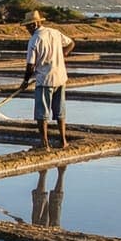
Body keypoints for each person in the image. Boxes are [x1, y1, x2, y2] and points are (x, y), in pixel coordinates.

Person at [17, 10, 76, 149]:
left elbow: (30, 65)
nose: (28, 29)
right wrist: (62, 55)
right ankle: (63, 141)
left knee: (41, 114)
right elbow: (71, 43)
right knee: (60, 111)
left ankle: (45, 144)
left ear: (36, 23)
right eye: (27, 26)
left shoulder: (34, 40)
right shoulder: (54, 32)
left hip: (45, 80)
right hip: (60, 77)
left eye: (29, 26)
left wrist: (25, 81)